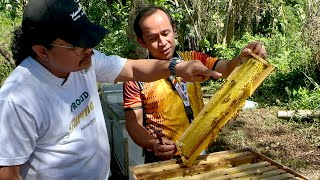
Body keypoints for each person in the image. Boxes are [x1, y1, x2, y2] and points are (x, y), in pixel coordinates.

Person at [0, 0, 220, 179]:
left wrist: (177, 67)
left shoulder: (85, 62)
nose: (89, 49)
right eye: (77, 44)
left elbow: (133, 69)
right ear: (42, 51)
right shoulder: (17, 99)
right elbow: (7, 173)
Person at [123, 6, 267, 163]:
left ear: (174, 29)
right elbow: (133, 125)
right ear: (141, 42)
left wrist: (243, 57)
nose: (163, 43)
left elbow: (226, 68)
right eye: (153, 38)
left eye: (166, 33)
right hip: (163, 158)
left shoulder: (193, 59)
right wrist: (153, 144)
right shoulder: (135, 76)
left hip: (199, 149)